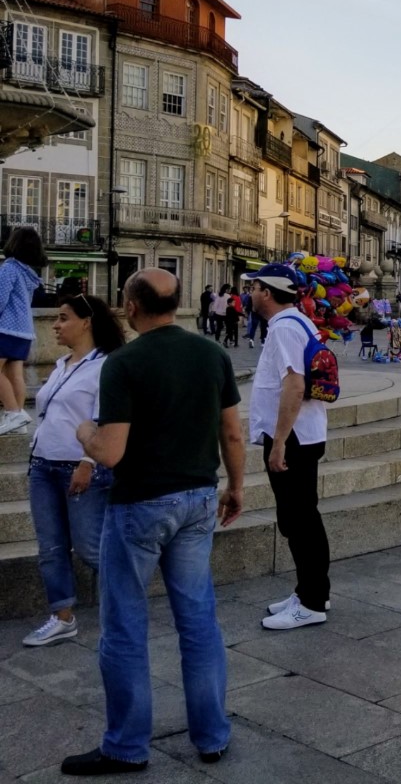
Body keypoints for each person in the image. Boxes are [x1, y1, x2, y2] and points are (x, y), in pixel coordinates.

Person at [64, 268, 245, 774]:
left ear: (131, 306)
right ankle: (211, 735)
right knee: (198, 620)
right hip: (197, 500)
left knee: (124, 624)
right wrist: (236, 486)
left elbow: (111, 452)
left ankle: (125, 745)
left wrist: (83, 432)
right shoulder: (212, 354)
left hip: (140, 504)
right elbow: (232, 433)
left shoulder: (124, 363)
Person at [22, 295, 126, 648]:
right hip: (42, 465)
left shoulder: (106, 365)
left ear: (87, 322)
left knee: (89, 547)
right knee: (50, 548)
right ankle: (62, 617)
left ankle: (129, 598)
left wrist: (88, 463)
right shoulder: (62, 363)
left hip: (79, 467)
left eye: (63, 318)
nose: (55, 324)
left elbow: (105, 420)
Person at [248, 263, 331, 630]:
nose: (249, 293)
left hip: (293, 437)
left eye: (253, 287)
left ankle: (311, 603)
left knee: (299, 520)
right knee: (302, 517)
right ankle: (311, 591)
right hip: (304, 433)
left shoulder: (284, 327)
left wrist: (278, 441)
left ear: (267, 292)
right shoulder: (297, 321)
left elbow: (294, 386)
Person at [0, 227, 46, 436]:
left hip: (5, 327)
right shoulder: (29, 273)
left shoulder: (9, 268)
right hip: (23, 329)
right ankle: (19, 421)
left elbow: (1, 297)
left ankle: (13, 412)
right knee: (15, 373)